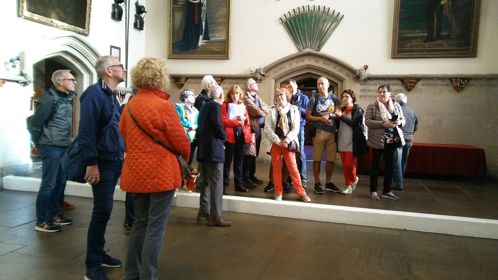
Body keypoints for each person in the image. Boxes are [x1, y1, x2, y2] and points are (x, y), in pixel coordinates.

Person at [119, 57, 190, 280]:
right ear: (161, 78)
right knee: (156, 227)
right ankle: (148, 276)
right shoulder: (164, 106)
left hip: (136, 172)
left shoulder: (130, 106)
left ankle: (131, 274)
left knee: (140, 223)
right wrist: (185, 160)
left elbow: (123, 134)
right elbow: (181, 142)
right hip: (161, 173)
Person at [79, 56, 126, 280]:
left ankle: (100, 253)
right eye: (120, 66)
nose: (124, 69)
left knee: (104, 211)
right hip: (102, 162)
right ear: (108, 71)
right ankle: (92, 265)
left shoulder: (111, 95)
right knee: (102, 211)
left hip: (113, 159)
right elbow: (86, 130)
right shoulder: (93, 94)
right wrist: (91, 163)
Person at [30, 69, 75, 233]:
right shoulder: (48, 99)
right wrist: (38, 144)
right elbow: (35, 124)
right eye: (71, 79)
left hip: (63, 146)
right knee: (49, 184)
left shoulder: (66, 98)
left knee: (60, 181)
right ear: (60, 82)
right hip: (51, 147)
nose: (74, 82)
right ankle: (42, 220)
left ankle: (54, 214)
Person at [264, 88, 311, 203]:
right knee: (276, 168)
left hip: (288, 143)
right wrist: (277, 140)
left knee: (293, 168)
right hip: (276, 143)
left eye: (281, 94)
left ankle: (301, 192)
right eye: (277, 95)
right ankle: (278, 192)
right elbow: (267, 128)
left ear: (287, 96)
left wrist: (287, 140)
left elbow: (296, 128)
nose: (279, 97)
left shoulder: (294, 110)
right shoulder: (272, 110)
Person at [196, 85, 231, 227]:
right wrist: (224, 136)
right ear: (220, 96)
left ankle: (203, 214)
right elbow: (216, 124)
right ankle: (215, 216)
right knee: (217, 185)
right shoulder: (216, 106)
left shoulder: (204, 106)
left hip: (203, 150)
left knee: (205, 183)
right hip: (214, 151)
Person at [365, 84, 405, 201]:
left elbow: (403, 119)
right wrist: (383, 124)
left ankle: (387, 191)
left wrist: (399, 122)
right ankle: (373, 191)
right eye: (380, 92)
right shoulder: (373, 106)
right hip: (378, 140)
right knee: (375, 167)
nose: (381, 94)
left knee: (390, 167)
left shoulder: (396, 105)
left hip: (392, 140)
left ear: (390, 93)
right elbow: (367, 121)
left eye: (384, 92)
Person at [305, 77, 341, 194]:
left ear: (328, 84)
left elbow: (338, 112)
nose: (320, 86)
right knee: (317, 159)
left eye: (322, 84)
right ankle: (317, 183)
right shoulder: (314, 98)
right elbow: (308, 116)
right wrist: (321, 119)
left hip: (332, 132)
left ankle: (329, 182)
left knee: (331, 160)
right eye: (318, 84)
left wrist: (329, 115)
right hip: (319, 132)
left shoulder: (334, 98)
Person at [335, 89, 369, 195]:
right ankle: (348, 185)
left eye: (347, 96)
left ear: (352, 98)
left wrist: (340, 116)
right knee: (345, 166)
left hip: (352, 141)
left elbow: (353, 122)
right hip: (341, 140)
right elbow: (338, 123)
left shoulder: (358, 110)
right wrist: (334, 117)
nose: (345, 99)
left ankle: (354, 179)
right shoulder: (341, 109)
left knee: (349, 164)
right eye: (343, 97)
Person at [221, 85, 252, 193]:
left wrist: (244, 122)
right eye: (233, 93)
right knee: (227, 162)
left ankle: (238, 184)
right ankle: (224, 185)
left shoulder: (243, 106)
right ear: (230, 95)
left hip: (241, 136)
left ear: (240, 95)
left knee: (239, 162)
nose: (235, 96)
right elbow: (223, 121)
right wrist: (236, 122)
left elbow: (248, 122)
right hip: (230, 136)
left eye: (237, 93)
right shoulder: (225, 105)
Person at [243, 78, 270, 187]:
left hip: (258, 128)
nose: (257, 85)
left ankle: (251, 175)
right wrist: (263, 112)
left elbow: (267, 107)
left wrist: (263, 110)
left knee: (255, 153)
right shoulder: (246, 98)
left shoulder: (256, 97)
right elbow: (256, 111)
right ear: (249, 87)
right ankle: (245, 177)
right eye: (254, 83)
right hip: (250, 130)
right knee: (248, 154)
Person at [393, 93, 419, 191]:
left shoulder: (397, 111)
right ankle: (400, 180)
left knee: (397, 162)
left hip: (399, 139)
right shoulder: (412, 112)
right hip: (409, 139)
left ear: (396, 101)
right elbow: (416, 127)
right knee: (403, 161)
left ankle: (398, 183)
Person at [287, 79, 309, 186]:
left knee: (300, 152)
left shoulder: (304, 98)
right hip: (287, 128)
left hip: (299, 127)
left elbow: (308, 114)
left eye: (291, 86)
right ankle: (290, 177)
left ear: (296, 85)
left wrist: (298, 109)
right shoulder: (287, 97)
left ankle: (303, 178)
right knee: (289, 152)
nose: (290, 89)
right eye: (288, 87)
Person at [175, 88, 199, 164]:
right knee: (181, 161)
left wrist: (194, 126)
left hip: (193, 138)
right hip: (182, 137)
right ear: (185, 97)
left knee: (189, 161)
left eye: (194, 95)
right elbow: (178, 121)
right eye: (191, 95)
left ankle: (186, 175)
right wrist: (190, 125)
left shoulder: (196, 111)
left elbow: (197, 123)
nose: (194, 97)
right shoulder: (179, 108)